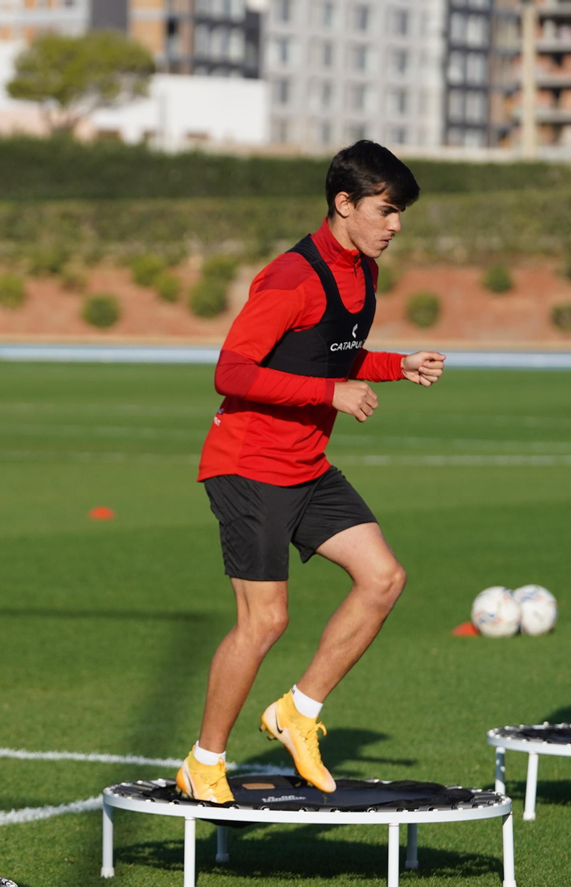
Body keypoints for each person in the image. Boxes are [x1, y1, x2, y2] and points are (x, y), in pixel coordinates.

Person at [176, 141, 446, 803]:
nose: (396, 226)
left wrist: (395, 365)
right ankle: (204, 762)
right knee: (264, 621)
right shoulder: (290, 277)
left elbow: (333, 352)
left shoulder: (366, 271)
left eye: (400, 213)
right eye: (386, 211)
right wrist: (329, 396)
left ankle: (298, 711)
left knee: (383, 578)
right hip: (247, 467)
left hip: (305, 466)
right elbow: (231, 372)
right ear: (343, 204)